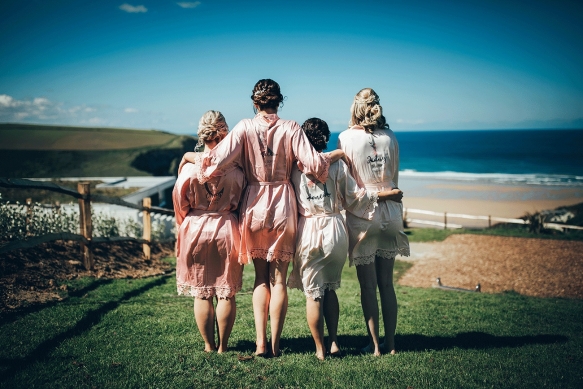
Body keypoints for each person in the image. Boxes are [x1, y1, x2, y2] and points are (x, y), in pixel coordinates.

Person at [181, 79, 345, 357]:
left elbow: (214, 161)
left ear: (255, 102)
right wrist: (338, 153)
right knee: (278, 280)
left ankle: (259, 344)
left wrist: (188, 156)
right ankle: (276, 344)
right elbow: (315, 166)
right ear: (279, 101)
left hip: (254, 202)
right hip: (282, 203)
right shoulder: (292, 128)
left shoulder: (244, 127)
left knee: (260, 278)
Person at [288, 118, 404, 360]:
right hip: (335, 230)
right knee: (330, 289)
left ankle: (319, 350)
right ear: (326, 139)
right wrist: (387, 195)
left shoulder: (293, 168)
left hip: (309, 228)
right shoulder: (338, 167)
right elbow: (356, 198)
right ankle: (334, 343)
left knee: (313, 293)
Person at [338, 88, 410, 356]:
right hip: (390, 212)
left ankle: (376, 346)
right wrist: (388, 194)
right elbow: (395, 176)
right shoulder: (390, 137)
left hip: (363, 216)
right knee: (387, 284)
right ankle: (391, 345)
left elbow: (348, 188)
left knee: (368, 286)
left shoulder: (345, 138)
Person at [173, 110, 246, 353]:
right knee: (225, 292)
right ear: (224, 133)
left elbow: (179, 203)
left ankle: (208, 345)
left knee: (202, 293)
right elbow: (242, 201)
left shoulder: (188, 170)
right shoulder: (236, 170)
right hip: (226, 228)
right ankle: (224, 346)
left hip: (195, 228)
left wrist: (186, 225)